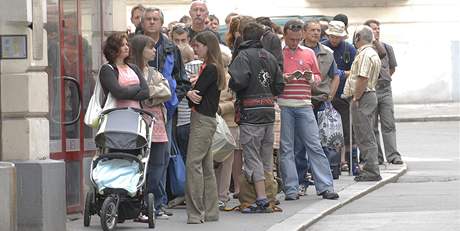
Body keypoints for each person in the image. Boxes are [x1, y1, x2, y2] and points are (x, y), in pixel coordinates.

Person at [278, 19, 339, 201]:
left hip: (304, 103)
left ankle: (325, 186)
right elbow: (274, 78)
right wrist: (284, 78)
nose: (294, 43)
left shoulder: (309, 53)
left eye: (297, 39)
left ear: (301, 35)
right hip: (284, 104)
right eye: (291, 40)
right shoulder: (278, 53)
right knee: (287, 148)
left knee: (314, 145)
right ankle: (291, 189)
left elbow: (319, 76)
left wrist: (313, 79)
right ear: (285, 35)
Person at [229, 22, 285, 213]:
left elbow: (239, 81)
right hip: (269, 111)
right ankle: (270, 196)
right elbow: (279, 85)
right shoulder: (269, 56)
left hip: (250, 113)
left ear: (243, 37)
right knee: (266, 156)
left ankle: (260, 198)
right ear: (261, 38)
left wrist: (233, 84)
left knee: (252, 156)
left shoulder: (243, 56)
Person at [141, 7, 190, 216]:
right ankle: (138, 200)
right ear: (142, 23)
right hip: (138, 107)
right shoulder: (134, 43)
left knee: (161, 155)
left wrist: (174, 99)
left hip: (165, 109)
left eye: (155, 19)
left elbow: (182, 80)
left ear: (161, 22)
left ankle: (157, 203)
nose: (152, 22)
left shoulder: (170, 47)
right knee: (141, 154)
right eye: (148, 19)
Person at [185, 31, 225, 224]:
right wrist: (191, 92)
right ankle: (210, 212)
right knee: (206, 167)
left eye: (198, 46)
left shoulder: (209, 68)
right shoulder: (215, 67)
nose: (195, 49)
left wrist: (188, 92)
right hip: (208, 119)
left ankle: (195, 212)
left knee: (193, 165)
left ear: (207, 46)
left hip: (201, 119)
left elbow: (196, 95)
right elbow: (195, 93)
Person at [129, 34, 171, 219]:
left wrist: (148, 92)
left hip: (158, 122)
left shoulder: (154, 72)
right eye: (150, 47)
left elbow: (167, 91)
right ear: (140, 50)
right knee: (139, 163)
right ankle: (138, 203)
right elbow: (135, 91)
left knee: (158, 164)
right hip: (139, 122)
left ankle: (151, 202)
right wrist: (152, 91)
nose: (154, 50)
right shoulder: (131, 71)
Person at [343, 25, 382, 182]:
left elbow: (363, 78)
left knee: (364, 134)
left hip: (364, 96)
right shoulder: (370, 52)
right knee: (365, 133)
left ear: (358, 37)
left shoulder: (366, 54)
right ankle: (370, 167)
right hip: (368, 95)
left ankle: (371, 170)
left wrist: (356, 97)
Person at [364, 19, 403, 165]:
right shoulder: (363, 49)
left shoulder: (387, 48)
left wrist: (384, 79)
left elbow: (391, 69)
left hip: (385, 89)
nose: (377, 31)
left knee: (388, 124)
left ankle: (393, 155)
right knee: (372, 126)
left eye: (378, 28)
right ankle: (377, 157)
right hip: (370, 89)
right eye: (374, 29)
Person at [322, 20, 357, 171]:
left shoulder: (349, 48)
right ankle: (332, 163)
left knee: (347, 128)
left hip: (344, 94)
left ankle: (350, 162)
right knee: (327, 130)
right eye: (332, 36)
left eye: (338, 37)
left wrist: (339, 73)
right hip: (326, 93)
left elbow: (355, 70)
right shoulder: (322, 47)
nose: (335, 40)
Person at [215, 44, 238, 210]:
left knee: (225, 162)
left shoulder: (231, 79)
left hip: (229, 123)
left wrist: (221, 108)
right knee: (213, 161)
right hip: (212, 122)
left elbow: (236, 102)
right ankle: (213, 194)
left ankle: (222, 195)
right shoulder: (210, 76)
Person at [99, 32, 148, 109]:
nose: (126, 47)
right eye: (122, 45)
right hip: (116, 114)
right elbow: (119, 93)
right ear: (113, 49)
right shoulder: (107, 69)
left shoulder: (134, 68)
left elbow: (146, 92)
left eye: (127, 44)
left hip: (136, 114)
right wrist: (138, 88)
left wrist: (126, 93)